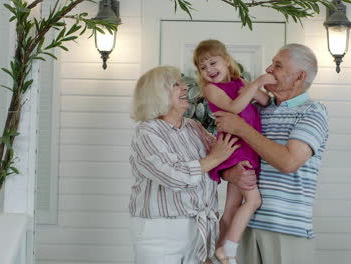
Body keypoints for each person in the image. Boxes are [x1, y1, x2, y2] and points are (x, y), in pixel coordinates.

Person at [214, 43, 329, 264]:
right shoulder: (256, 111)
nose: (268, 69)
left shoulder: (313, 112)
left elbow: (288, 162)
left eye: (277, 65)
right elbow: (230, 156)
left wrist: (241, 128)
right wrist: (231, 174)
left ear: (299, 77)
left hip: (286, 230)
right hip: (242, 231)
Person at [128, 65, 241, 264]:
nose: (185, 88)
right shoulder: (147, 132)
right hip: (161, 232)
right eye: (176, 85)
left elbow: (222, 159)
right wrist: (215, 158)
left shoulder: (193, 126)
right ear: (157, 94)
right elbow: (174, 176)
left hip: (199, 229)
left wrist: (233, 170)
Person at [192, 39, 276, 264]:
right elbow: (234, 108)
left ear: (226, 61)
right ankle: (228, 251)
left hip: (247, 150)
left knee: (230, 209)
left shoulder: (240, 83)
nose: (209, 69)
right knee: (253, 200)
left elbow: (266, 101)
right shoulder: (211, 89)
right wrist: (256, 82)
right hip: (236, 150)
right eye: (203, 67)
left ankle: (212, 255)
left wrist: (254, 88)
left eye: (213, 62)